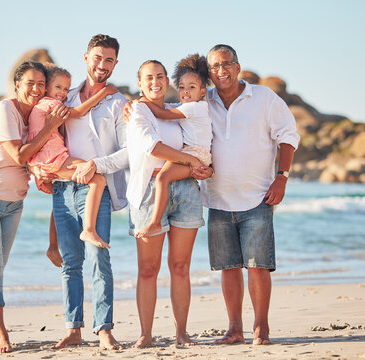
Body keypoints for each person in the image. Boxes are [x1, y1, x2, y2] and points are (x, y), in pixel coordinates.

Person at [0, 61, 69, 353]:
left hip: (13, 203)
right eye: (29, 83)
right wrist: (52, 126)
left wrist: (44, 172)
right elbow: (19, 156)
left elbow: (34, 159)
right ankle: (2, 334)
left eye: (41, 84)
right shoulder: (3, 110)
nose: (36, 89)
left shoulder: (34, 115)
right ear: (17, 85)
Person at [194, 44, 300, 345]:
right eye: (214, 66)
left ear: (237, 66)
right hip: (216, 200)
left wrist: (282, 178)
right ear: (209, 71)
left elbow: (289, 137)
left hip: (258, 199)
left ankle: (261, 328)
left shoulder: (264, 98)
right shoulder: (204, 101)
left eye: (226, 64)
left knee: (257, 265)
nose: (221, 71)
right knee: (228, 268)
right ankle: (234, 329)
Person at [33, 34, 128, 350]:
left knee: (99, 257)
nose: (103, 65)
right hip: (62, 187)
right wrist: (36, 168)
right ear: (86, 58)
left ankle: (104, 329)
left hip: (94, 187)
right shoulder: (64, 97)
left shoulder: (119, 102)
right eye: (98, 57)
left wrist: (96, 165)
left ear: (115, 63)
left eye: (109, 60)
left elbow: (129, 152)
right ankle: (74, 329)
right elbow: (42, 136)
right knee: (70, 262)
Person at [125, 60, 211, 348]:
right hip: (149, 191)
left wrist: (204, 167)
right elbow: (154, 147)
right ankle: (145, 335)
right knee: (148, 269)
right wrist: (192, 161)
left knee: (180, 267)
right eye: (148, 78)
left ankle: (181, 334)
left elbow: (203, 141)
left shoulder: (179, 109)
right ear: (140, 83)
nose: (155, 82)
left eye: (160, 76)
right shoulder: (137, 110)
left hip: (186, 188)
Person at [26, 66, 118, 252]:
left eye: (66, 89)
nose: (62, 93)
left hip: (50, 158)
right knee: (98, 180)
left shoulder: (41, 106)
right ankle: (89, 230)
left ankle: (53, 247)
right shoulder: (49, 104)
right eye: (57, 87)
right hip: (53, 158)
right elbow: (78, 112)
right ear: (46, 88)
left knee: (61, 201)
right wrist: (104, 92)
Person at [134, 54, 212, 239]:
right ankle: (154, 222)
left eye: (191, 88)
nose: (185, 92)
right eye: (182, 87)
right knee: (164, 178)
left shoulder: (193, 107)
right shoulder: (187, 106)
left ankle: (154, 223)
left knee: (162, 179)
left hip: (195, 154)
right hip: (194, 154)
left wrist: (142, 102)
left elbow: (163, 114)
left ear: (202, 92)